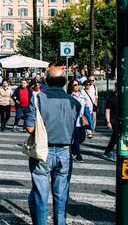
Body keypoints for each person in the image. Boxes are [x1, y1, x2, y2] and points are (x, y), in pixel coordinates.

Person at [25, 66, 81, 225]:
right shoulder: (75, 102)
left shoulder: (38, 98)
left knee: (40, 196)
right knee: (61, 197)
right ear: (65, 81)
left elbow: (29, 127)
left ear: (46, 81)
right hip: (65, 151)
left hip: (43, 150)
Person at [68, 79, 88, 163]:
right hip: (74, 120)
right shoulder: (70, 96)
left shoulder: (81, 94)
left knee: (82, 138)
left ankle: (72, 148)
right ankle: (78, 155)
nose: (77, 86)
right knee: (76, 138)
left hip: (82, 120)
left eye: (78, 84)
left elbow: (85, 105)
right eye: (75, 85)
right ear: (71, 87)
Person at [103, 83, 118, 162]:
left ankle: (109, 151)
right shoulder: (112, 98)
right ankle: (108, 151)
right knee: (115, 136)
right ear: (115, 87)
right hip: (114, 119)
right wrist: (108, 122)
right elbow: (107, 110)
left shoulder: (124, 96)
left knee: (116, 136)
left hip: (121, 120)